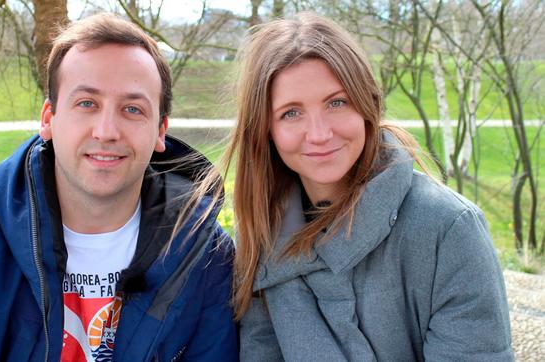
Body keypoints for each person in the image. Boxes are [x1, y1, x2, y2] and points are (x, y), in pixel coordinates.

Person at [0, 13, 237, 361]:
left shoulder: (205, 254)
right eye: (87, 103)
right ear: (48, 119)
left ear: (160, 131)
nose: (106, 131)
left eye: (133, 109)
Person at [215, 12, 512, 361]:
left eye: (336, 102)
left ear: (367, 103)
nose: (320, 134)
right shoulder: (260, 238)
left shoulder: (448, 230)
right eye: (291, 113)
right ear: (266, 129)